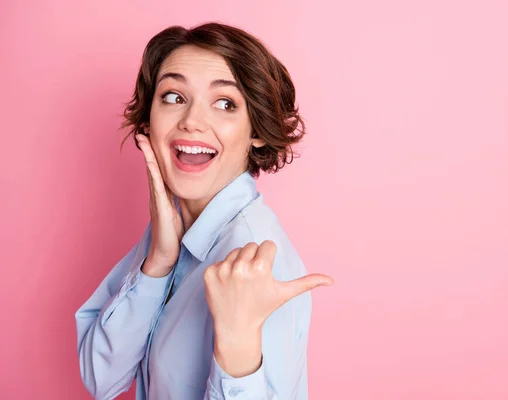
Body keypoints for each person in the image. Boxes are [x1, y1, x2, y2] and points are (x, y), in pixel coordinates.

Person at [75, 22, 333, 400]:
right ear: (149, 119)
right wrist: (158, 264)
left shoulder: (255, 259)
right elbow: (101, 378)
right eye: (174, 97)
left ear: (256, 128)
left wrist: (238, 346)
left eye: (225, 103)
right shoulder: (170, 230)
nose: (192, 121)